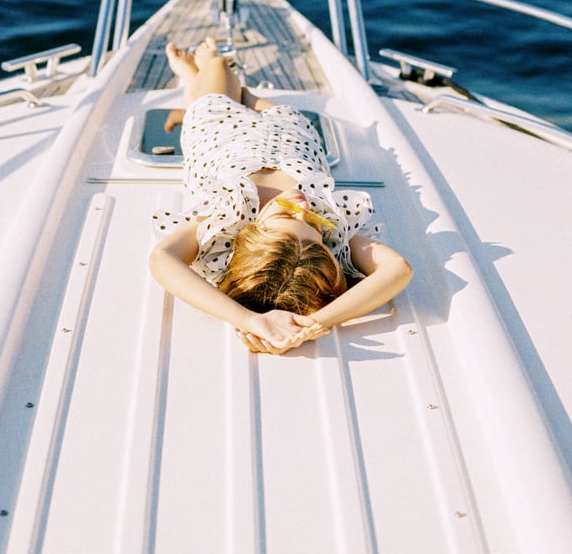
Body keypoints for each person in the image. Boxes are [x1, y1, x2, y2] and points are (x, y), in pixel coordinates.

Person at [149, 39, 412, 355]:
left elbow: (161, 259)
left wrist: (248, 320)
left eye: (285, 213)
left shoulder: (228, 220)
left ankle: (195, 79)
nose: (302, 206)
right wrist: (314, 323)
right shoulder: (331, 233)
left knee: (217, 65)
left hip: (217, 127)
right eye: (312, 223)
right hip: (288, 129)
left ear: (251, 236)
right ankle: (195, 85)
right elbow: (398, 269)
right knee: (244, 93)